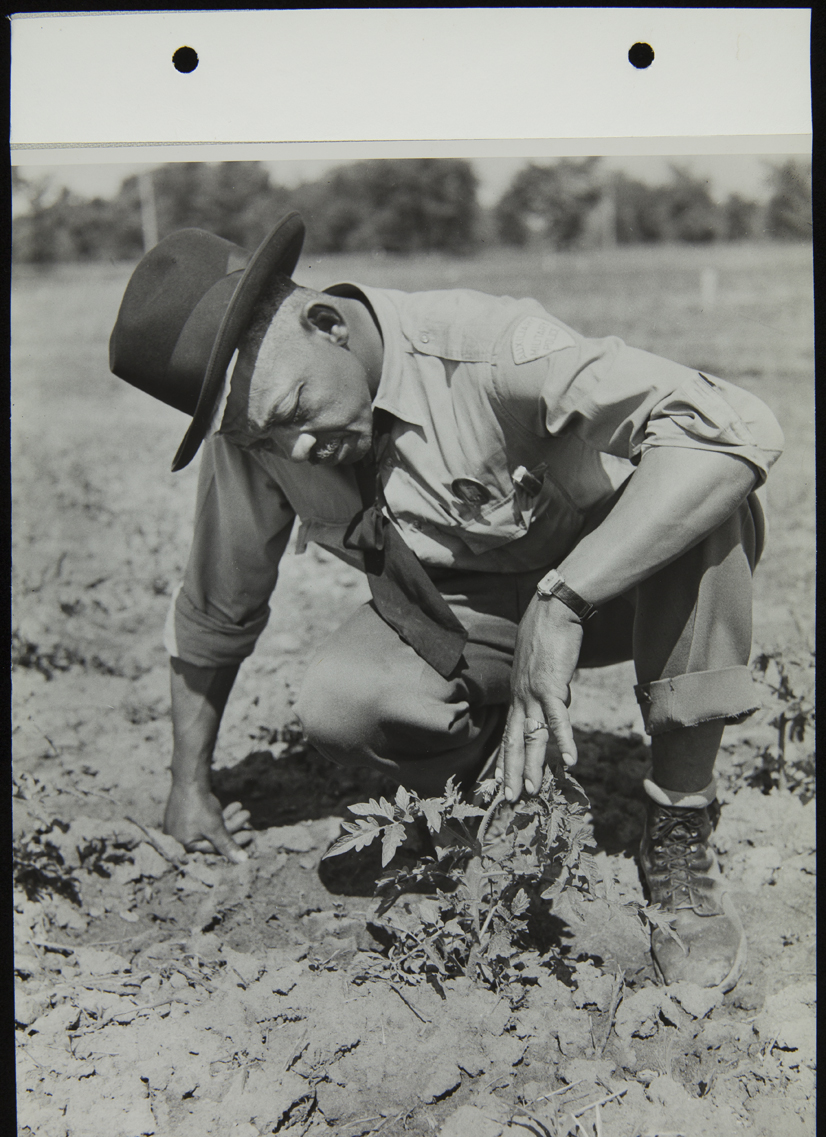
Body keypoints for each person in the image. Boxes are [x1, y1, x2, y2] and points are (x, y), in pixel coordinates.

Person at [110, 211, 784, 992]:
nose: (292, 450)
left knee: (711, 502)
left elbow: (734, 426)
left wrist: (564, 599)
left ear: (325, 322)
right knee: (342, 700)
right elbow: (217, 602)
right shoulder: (260, 434)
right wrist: (188, 781)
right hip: (466, 619)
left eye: (294, 413)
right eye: (260, 438)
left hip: (610, 594)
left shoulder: (486, 348)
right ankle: (483, 788)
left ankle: (679, 819)